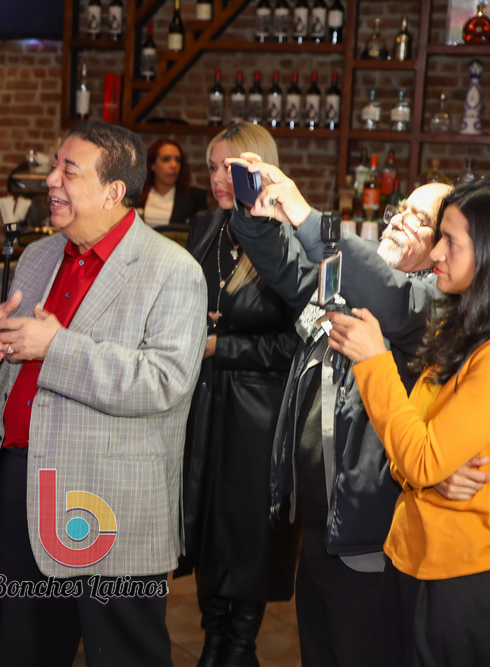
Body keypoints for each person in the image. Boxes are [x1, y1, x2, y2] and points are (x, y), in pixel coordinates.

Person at [225, 156, 490, 667]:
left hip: (370, 539)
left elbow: (390, 296)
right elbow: (288, 271)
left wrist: (308, 218)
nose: (399, 220)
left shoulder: (433, 305)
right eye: (400, 209)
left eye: (420, 219)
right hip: (319, 527)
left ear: (444, 246)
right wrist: (257, 212)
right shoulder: (345, 285)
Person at [0, 120, 206, 667]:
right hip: (24, 485)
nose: (51, 180)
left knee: (123, 655)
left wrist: (56, 347)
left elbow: (165, 382)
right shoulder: (39, 257)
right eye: (55, 165)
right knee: (20, 652)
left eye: (68, 171)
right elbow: (16, 361)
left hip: (109, 501)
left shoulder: (173, 271)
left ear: (113, 191)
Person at [328, 179, 490, 667]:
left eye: (451, 241)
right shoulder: (467, 325)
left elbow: (419, 454)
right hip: (412, 557)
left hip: (469, 579)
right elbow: (409, 449)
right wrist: (428, 473)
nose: (435, 252)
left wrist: (374, 361)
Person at [181, 122, 299, 667]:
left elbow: (296, 347)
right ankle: (215, 638)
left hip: (259, 413)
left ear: (259, 169)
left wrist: (220, 346)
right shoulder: (206, 226)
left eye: (230, 169)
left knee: (248, 537)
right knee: (203, 524)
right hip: (203, 403)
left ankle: (237, 646)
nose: (218, 180)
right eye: (211, 168)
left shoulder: (289, 239)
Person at [137, 138, 207, 226]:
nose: (173, 165)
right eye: (166, 159)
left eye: (177, 160)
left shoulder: (195, 197)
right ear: (153, 165)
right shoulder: (137, 194)